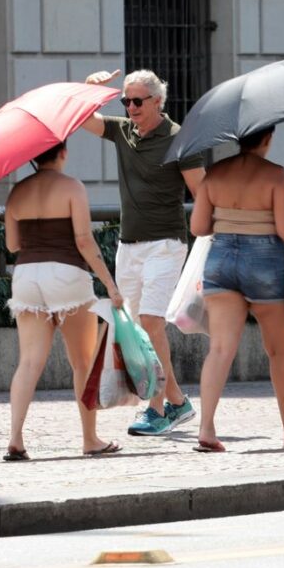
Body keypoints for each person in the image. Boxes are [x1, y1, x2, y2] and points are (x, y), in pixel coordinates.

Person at [82, 69, 205, 437]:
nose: (131, 107)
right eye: (126, 101)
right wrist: (92, 90)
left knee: (152, 322)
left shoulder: (180, 138)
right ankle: (177, 402)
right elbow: (84, 121)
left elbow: (202, 193)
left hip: (166, 244)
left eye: (137, 101)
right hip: (129, 246)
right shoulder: (122, 131)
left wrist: (209, 243)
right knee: (136, 330)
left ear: (157, 102)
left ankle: (157, 409)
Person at [189, 126, 284, 451]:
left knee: (220, 349)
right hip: (264, 262)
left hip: (220, 261)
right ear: (267, 139)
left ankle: (206, 429)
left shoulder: (215, 174)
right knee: (279, 350)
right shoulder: (276, 175)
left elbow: (198, 227)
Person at [2, 143, 125, 461]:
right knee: (82, 362)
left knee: (29, 361)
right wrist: (110, 285)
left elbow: (13, 244)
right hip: (67, 274)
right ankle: (90, 439)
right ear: (63, 154)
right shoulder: (72, 187)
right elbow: (84, 240)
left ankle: (15, 438)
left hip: (26, 275)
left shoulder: (16, 192)